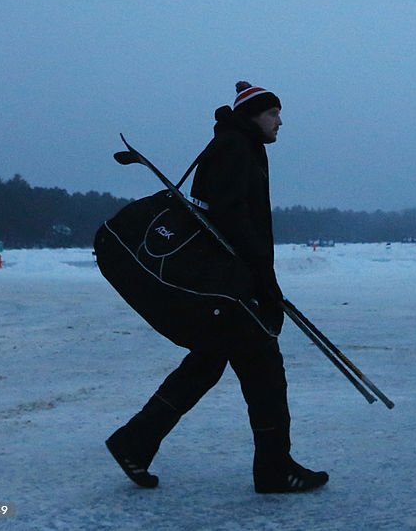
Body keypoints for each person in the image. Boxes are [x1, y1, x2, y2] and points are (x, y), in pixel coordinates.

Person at [105, 81, 329, 493]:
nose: (280, 121)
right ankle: (275, 469)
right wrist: (262, 280)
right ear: (253, 116)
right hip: (231, 284)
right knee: (263, 368)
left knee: (207, 363)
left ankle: (134, 443)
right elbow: (231, 219)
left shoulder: (237, 145)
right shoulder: (235, 147)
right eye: (273, 113)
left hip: (228, 282)